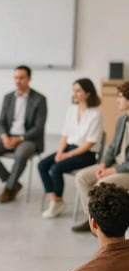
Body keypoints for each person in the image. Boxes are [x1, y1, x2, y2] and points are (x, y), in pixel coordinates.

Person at [39, 78, 103, 219]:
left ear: (87, 93)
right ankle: (55, 200)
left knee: (56, 168)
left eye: (78, 90)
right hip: (69, 148)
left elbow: (89, 144)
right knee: (42, 165)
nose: (74, 93)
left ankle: (57, 201)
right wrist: (60, 152)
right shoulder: (71, 110)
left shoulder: (95, 114)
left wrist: (66, 156)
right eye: (73, 90)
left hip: (87, 154)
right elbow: (65, 135)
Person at [0, 65, 47, 203]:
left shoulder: (39, 99)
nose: (18, 81)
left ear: (29, 79)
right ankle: (13, 182)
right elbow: (0, 122)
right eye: (16, 77)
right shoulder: (8, 97)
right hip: (9, 136)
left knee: (21, 154)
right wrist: (4, 136)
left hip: (29, 138)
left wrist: (19, 139)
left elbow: (39, 128)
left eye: (22, 78)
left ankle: (9, 188)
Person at [73, 81, 129, 232]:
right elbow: (112, 147)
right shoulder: (122, 120)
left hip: (126, 170)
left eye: (120, 96)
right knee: (81, 177)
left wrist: (112, 171)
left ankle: (104, 225)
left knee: (100, 185)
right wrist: (104, 164)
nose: (117, 100)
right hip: (115, 165)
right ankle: (93, 219)